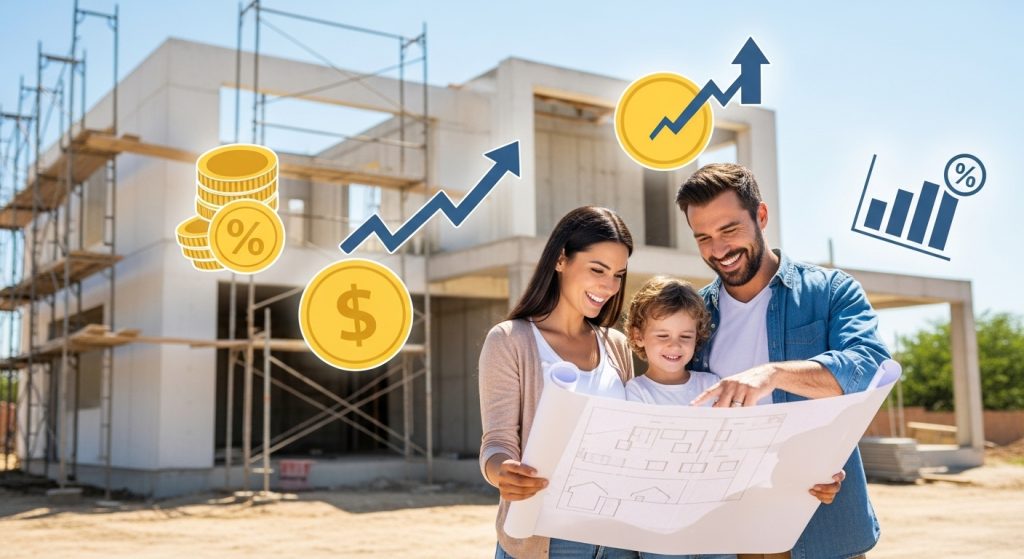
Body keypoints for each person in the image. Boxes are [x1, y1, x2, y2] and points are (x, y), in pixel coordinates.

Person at [676, 163, 890, 559]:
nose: (718, 250)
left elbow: (868, 368)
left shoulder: (830, 292)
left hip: (819, 522)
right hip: (727, 530)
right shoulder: (693, 314)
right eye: (703, 237)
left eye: (729, 230)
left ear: (761, 215)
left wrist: (772, 375)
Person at [479, 206, 640, 559]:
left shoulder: (616, 345)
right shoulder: (510, 340)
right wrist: (502, 473)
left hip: (617, 540)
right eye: (597, 269)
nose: (609, 286)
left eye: (618, 274)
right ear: (561, 260)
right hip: (548, 541)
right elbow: (497, 442)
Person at [623, 276, 721, 409]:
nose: (675, 345)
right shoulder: (636, 390)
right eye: (663, 335)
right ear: (638, 336)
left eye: (685, 336)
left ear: (696, 337)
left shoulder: (712, 384)